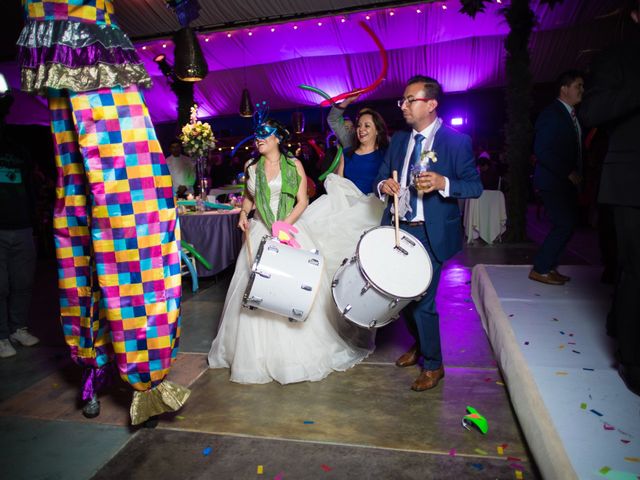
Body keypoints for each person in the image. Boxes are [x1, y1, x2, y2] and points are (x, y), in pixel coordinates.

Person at [17, 0, 189, 425]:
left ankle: (135, 369)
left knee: (125, 234)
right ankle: (96, 369)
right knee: (89, 248)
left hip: (85, 32)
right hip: (63, 28)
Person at [208, 119, 372, 384]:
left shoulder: (293, 165)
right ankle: (257, 355)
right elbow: (250, 196)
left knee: (292, 291)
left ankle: (296, 354)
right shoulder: (252, 167)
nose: (258, 139)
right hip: (259, 230)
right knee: (256, 290)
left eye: (264, 135)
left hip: (289, 229)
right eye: (256, 136)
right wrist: (243, 212)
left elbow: (302, 201)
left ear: (276, 138)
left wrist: (283, 228)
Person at [375, 75, 482, 391]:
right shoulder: (398, 140)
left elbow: (474, 186)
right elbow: (380, 178)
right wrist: (385, 186)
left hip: (430, 234)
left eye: (410, 100)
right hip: (397, 229)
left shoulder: (456, 141)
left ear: (431, 104)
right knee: (401, 298)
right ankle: (421, 346)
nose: (403, 106)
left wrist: (443, 184)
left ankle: (434, 365)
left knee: (422, 300)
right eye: (403, 100)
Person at [580, 0, 640, 396]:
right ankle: (634, 361)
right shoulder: (618, 57)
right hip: (633, 179)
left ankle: (619, 320)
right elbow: (591, 113)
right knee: (636, 269)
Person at [529, 70, 585, 286]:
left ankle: (549, 266)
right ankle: (541, 268)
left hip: (565, 182)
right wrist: (568, 172)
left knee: (568, 225)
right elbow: (542, 150)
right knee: (564, 224)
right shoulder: (552, 113)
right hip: (554, 181)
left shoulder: (571, 115)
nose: (582, 90)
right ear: (564, 88)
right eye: (578, 85)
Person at [0, 78, 40, 359]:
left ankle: (17, 328)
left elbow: (31, 183)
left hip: (23, 225)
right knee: (0, 285)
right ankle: (1, 335)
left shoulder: (18, 146)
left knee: (23, 282)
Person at [336, 108, 389, 195]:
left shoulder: (386, 154)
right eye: (359, 126)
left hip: (375, 205)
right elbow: (339, 184)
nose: (361, 129)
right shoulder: (346, 153)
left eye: (367, 126)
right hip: (348, 205)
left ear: (377, 130)